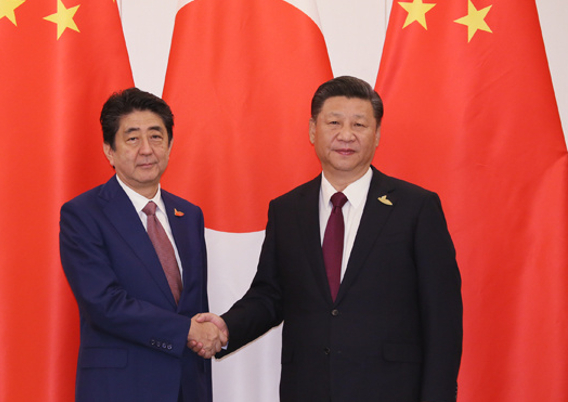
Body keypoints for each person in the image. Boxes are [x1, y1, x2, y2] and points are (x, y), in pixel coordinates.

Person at [195, 76, 463, 401]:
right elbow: (270, 295)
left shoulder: (416, 208)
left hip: (391, 390)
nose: (346, 135)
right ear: (313, 130)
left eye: (359, 124)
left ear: (377, 134)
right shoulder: (287, 210)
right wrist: (225, 328)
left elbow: (443, 317)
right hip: (308, 389)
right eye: (334, 122)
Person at [59, 88, 225, 402]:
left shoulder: (189, 215)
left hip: (187, 387)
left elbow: (194, 305)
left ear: (170, 145)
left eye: (156, 137)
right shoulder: (83, 214)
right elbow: (104, 304)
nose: (146, 149)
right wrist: (186, 331)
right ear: (109, 150)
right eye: (133, 138)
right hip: (121, 388)